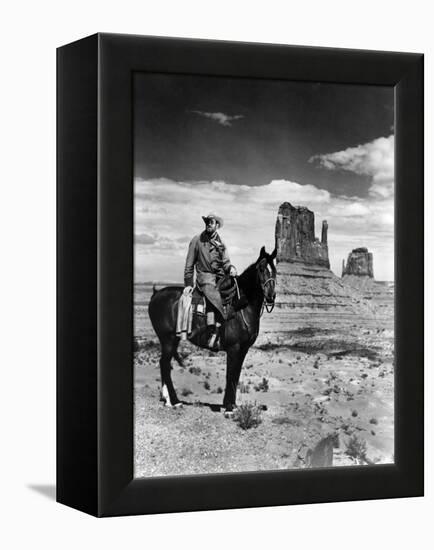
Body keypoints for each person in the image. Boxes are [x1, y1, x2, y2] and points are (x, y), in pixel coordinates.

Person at [184, 213, 237, 346]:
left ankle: (232, 327)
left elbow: (225, 262)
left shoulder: (222, 243)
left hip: (219, 277)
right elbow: (189, 264)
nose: (208, 224)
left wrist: (230, 268)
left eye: (211, 222)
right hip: (204, 277)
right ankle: (213, 330)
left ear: (217, 226)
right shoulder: (197, 240)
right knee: (212, 293)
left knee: (234, 288)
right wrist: (188, 283)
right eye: (207, 222)